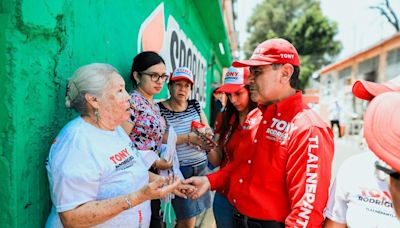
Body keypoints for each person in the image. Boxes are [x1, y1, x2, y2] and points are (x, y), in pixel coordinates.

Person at [185, 38, 334, 227]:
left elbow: (306, 211)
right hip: (237, 218)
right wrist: (209, 181)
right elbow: (238, 167)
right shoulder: (255, 117)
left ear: (285, 73)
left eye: (257, 72)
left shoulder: (308, 129)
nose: (249, 79)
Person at [45, 63, 182, 227]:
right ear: (94, 100)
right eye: (119, 90)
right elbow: (71, 217)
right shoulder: (76, 143)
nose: (128, 97)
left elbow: (131, 171)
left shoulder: (115, 130)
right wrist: (140, 196)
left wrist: (164, 182)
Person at [324, 76, 400, 227]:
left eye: (381, 103)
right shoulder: (353, 167)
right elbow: (335, 223)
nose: (371, 113)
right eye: (371, 103)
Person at [158, 67, 213, 228]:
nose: (183, 89)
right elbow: (161, 139)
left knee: (193, 216)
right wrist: (190, 138)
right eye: (178, 84)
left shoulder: (195, 105)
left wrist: (206, 133)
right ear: (169, 87)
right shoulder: (160, 109)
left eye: (187, 85)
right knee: (187, 219)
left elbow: (206, 127)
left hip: (201, 167)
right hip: (180, 171)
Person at [207, 66, 261, 228]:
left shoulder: (264, 118)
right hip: (224, 197)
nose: (233, 100)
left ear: (250, 90)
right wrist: (207, 144)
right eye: (229, 94)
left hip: (252, 200)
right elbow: (216, 161)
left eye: (238, 93)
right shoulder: (224, 116)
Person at [122, 51, 171, 228]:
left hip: (154, 175)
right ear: (137, 75)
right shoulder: (132, 102)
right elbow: (120, 143)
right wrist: (155, 162)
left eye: (163, 76)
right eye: (153, 75)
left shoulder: (153, 104)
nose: (159, 81)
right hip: (136, 175)